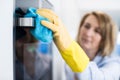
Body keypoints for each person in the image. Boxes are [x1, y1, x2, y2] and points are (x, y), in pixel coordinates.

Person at [37, 9, 120, 80]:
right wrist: (31, 44)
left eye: (97, 31)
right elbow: (42, 69)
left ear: (105, 39)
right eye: (87, 26)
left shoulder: (114, 66)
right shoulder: (70, 56)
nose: (88, 33)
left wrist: (69, 48)